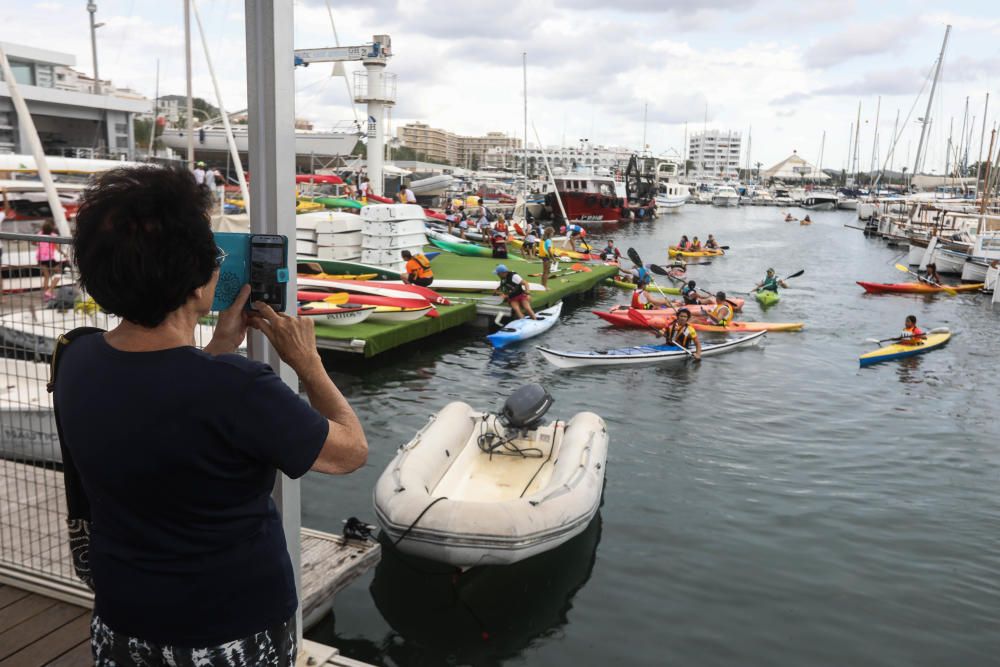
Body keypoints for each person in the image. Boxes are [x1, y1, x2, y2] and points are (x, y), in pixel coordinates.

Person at [55, 165, 367, 666]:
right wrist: (309, 364)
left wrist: (221, 346)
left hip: (122, 618)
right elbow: (349, 452)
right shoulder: (238, 390)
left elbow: (164, 406)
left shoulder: (76, 357)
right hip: (228, 628)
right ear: (199, 277)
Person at [37, 219, 65, 300]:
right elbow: (57, 248)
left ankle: (46, 296)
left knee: (46, 276)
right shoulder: (53, 236)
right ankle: (49, 291)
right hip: (49, 258)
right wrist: (63, 253)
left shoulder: (39, 234)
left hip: (40, 258)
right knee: (59, 274)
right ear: (52, 227)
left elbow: (36, 243)